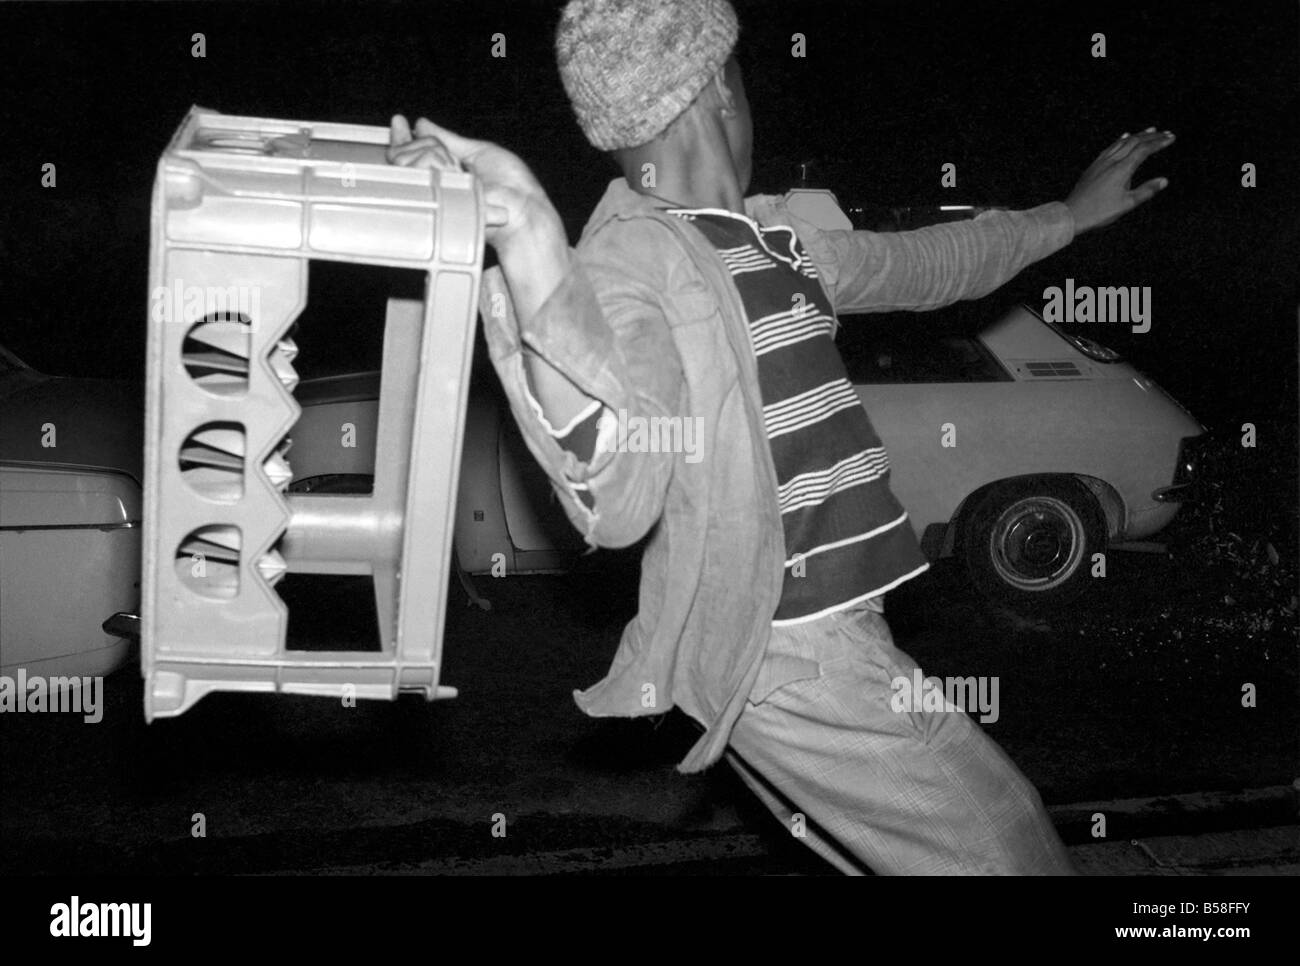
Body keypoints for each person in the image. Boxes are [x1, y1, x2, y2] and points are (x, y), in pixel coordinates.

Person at [388, 0, 1174, 874]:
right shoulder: (628, 266)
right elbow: (618, 493)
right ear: (718, 88)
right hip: (793, 651)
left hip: (833, 642)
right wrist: (531, 241)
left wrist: (1067, 216)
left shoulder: (774, 243)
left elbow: (931, 263)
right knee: (1011, 848)